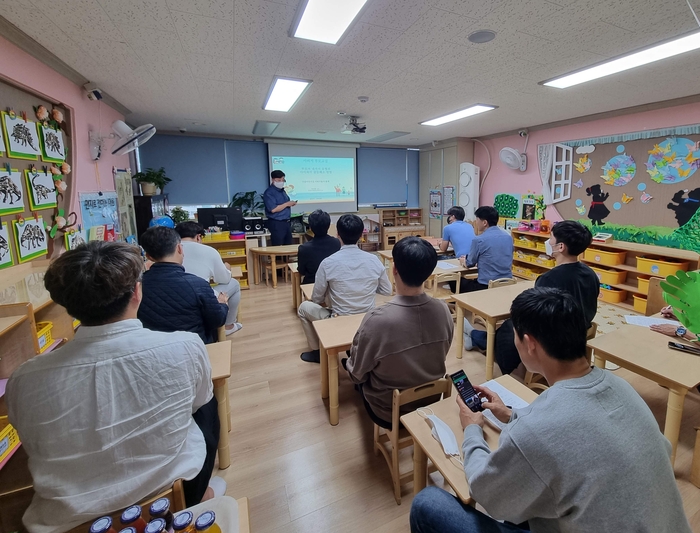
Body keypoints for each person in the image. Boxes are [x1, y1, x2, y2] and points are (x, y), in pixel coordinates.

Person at [410, 287, 692, 533]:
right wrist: (510, 416)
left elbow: (484, 491)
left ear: (530, 343)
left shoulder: (536, 430)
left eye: (516, 336)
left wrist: (472, 428)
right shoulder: (621, 388)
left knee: (428, 504)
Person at [7, 242, 224, 533]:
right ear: (137, 292)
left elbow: (27, 436)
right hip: (166, 500)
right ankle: (199, 495)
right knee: (206, 404)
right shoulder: (184, 346)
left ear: (65, 305)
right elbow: (200, 404)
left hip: (64, 520)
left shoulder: (25, 377)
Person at [345, 237, 454, 427]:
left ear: (394, 269)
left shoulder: (376, 320)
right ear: (429, 273)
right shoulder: (444, 310)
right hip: (431, 404)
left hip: (388, 411)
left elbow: (357, 374)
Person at [467, 220, 600, 375]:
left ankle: (482, 343)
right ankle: (477, 336)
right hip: (581, 331)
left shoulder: (549, 278)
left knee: (508, 328)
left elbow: (536, 317)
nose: (548, 242)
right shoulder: (590, 274)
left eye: (551, 238)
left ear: (561, 247)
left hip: (554, 337)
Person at [297, 214, 392, 363]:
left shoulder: (328, 263)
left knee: (303, 308)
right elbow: (387, 290)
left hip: (339, 318)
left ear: (338, 234)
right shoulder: (374, 260)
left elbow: (316, 298)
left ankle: (317, 353)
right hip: (368, 318)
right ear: (361, 235)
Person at [138, 226, 227, 344]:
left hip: (152, 349)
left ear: (149, 256)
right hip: (193, 347)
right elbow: (217, 320)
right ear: (179, 248)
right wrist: (222, 304)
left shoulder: (136, 287)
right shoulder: (198, 284)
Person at [176, 221, 242, 335]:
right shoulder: (209, 251)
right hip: (201, 298)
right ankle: (228, 326)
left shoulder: (169, 250)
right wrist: (227, 268)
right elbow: (224, 279)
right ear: (198, 237)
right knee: (234, 284)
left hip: (174, 298)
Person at [458, 206, 513, 293]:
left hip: (486, 286)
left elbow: (469, 263)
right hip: (507, 283)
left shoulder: (479, 240)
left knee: (455, 282)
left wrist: (463, 261)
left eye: (477, 220)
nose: (476, 222)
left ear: (484, 222)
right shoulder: (508, 237)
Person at [297, 209, 341, 285]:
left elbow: (302, 271)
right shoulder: (337, 243)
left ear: (310, 228)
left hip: (312, 284)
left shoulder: (304, 248)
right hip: (333, 283)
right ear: (329, 226)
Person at [263, 169, 297, 245]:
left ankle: (287, 258)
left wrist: (291, 203)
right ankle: (278, 258)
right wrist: (287, 204)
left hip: (286, 222)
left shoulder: (282, 191)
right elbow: (273, 209)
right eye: (279, 180)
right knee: (278, 246)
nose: (281, 182)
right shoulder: (269, 192)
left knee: (288, 245)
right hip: (277, 223)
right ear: (273, 180)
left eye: (283, 180)